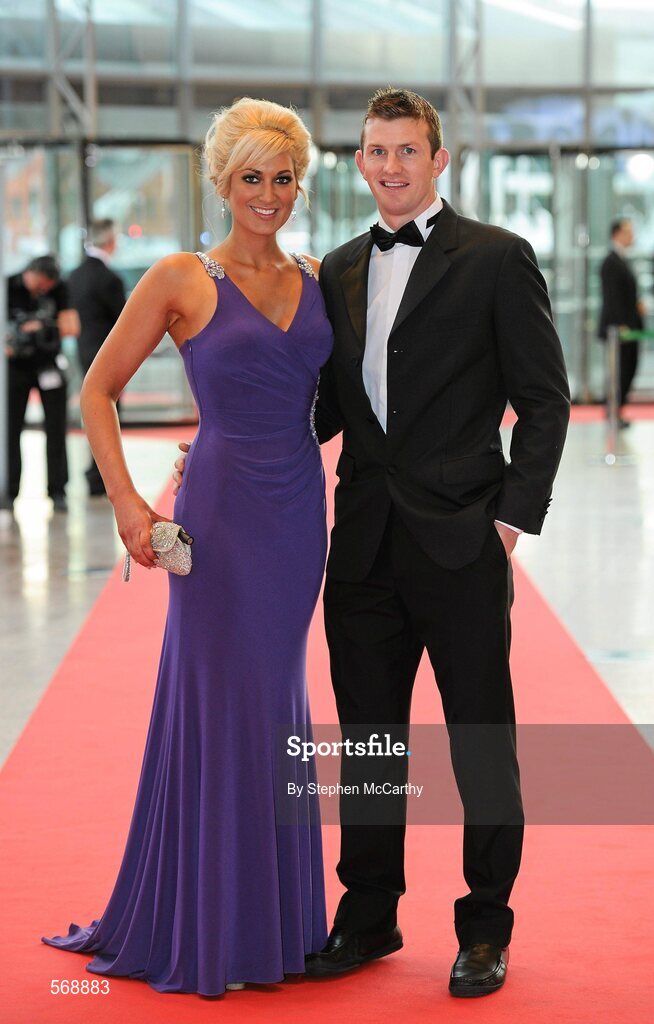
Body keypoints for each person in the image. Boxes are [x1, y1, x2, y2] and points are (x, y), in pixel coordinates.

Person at [175, 87, 571, 998]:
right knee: (371, 745)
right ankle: (368, 913)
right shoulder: (338, 269)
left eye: (407, 151)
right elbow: (323, 406)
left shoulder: (499, 259)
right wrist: (234, 438)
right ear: (359, 164)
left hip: (464, 541)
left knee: (479, 742)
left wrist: (512, 518)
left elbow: (546, 401)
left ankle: (484, 927)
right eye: (375, 152)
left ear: (439, 162)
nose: (390, 166)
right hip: (359, 548)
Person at [41, 97, 333, 996]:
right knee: (218, 706)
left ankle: (275, 926)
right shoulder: (180, 276)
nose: (269, 195)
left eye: (284, 178)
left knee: (278, 705)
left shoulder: (323, 276)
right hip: (215, 519)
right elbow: (97, 391)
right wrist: (129, 504)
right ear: (221, 181)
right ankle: (207, 921)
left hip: (296, 520)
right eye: (253, 177)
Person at [4, 255, 80, 512]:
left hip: (49, 364)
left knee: (56, 428)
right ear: (30, 273)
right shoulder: (8, 286)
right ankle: (8, 491)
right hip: (16, 367)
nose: (44, 289)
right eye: (41, 284)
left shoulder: (60, 289)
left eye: (48, 286)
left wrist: (43, 326)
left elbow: (71, 327)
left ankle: (58, 490)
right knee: (10, 430)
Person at [68, 218, 126, 494]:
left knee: (92, 408)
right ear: (110, 242)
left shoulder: (75, 275)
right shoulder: (110, 279)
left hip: (83, 348)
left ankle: (94, 472)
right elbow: (124, 322)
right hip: (108, 351)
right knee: (111, 411)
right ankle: (100, 475)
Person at [598, 217, 645, 426]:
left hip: (629, 327)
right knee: (619, 371)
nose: (631, 235)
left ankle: (617, 410)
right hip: (620, 329)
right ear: (616, 234)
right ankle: (613, 411)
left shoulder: (622, 259)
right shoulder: (611, 261)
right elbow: (612, 298)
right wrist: (620, 324)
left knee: (627, 369)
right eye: (628, 231)